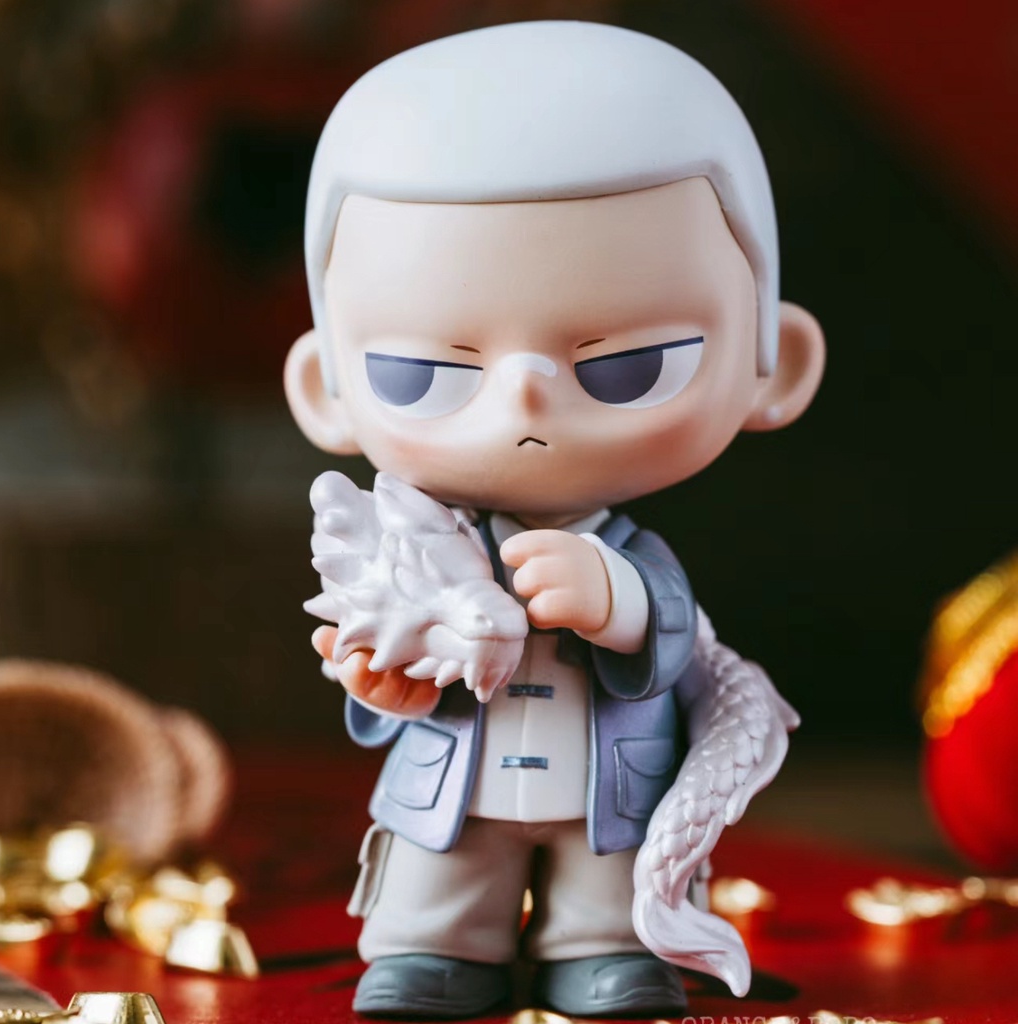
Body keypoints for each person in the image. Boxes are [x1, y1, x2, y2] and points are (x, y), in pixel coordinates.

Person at [284, 20, 824, 1018]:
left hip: (606, 789)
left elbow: (671, 641)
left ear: (774, 364)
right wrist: (384, 685)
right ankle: (435, 948)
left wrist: (619, 601)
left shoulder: (633, 557)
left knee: (606, 892)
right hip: (458, 784)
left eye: (628, 367)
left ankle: (602, 946)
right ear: (325, 388)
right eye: (423, 372)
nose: (523, 403)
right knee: (435, 879)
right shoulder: (414, 552)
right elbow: (384, 684)